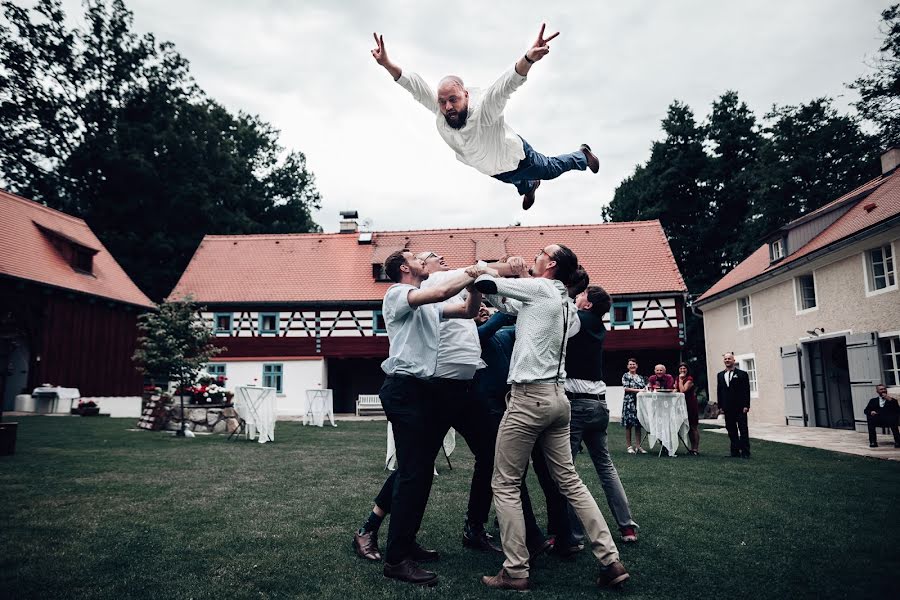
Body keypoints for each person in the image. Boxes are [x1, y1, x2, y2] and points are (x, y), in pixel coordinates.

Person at [473, 244, 629, 591]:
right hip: (560, 401)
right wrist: (512, 285)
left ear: (552, 263)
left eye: (542, 251)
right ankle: (610, 559)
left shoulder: (541, 288)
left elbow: (485, 283)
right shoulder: (566, 306)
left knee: (505, 483)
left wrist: (498, 267)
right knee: (570, 481)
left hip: (529, 399)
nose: (537, 253)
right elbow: (509, 304)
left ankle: (515, 570)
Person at [353, 251, 502, 567]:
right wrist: (476, 269)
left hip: (425, 390)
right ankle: (395, 553)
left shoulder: (428, 305)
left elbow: (465, 310)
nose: (431, 260)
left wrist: (474, 287)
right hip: (404, 389)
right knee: (414, 473)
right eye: (420, 258)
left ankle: (403, 545)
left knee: (417, 472)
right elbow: (443, 291)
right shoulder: (396, 294)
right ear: (406, 267)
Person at [369, 25, 600, 210]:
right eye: (442, 101)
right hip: (493, 169)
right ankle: (529, 187)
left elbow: (506, 84)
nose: (447, 107)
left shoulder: (484, 109)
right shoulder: (440, 108)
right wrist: (387, 64)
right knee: (514, 180)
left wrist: (528, 58)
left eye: (453, 100)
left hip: (518, 158)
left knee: (548, 169)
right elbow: (414, 86)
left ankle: (581, 156)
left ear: (466, 95)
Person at [560, 285, 640, 547]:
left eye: (581, 295)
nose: (576, 297)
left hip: (577, 405)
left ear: (587, 305)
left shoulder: (575, 318)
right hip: (600, 405)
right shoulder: (598, 326)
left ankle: (575, 536)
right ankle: (627, 526)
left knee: (567, 472)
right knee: (605, 467)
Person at [716, 352, 751, 459]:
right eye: (725, 359)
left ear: (733, 360)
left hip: (740, 407)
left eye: (729, 359)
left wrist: (746, 405)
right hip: (727, 408)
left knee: (743, 430)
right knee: (731, 430)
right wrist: (720, 406)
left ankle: (745, 452)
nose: (727, 360)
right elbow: (720, 391)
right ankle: (735, 451)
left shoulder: (742, 374)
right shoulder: (720, 375)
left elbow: (746, 391)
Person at [621, 359, 647, 454]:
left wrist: (643, 390)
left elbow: (644, 387)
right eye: (630, 364)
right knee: (629, 424)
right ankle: (629, 446)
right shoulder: (626, 375)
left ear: (637, 366)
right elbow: (626, 388)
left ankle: (638, 446)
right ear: (628, 366)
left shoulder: (640, 377)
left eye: (634, 364)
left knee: (638, 424)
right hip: (629, 402)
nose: (632, 366)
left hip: (639, 402)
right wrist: (639, 390)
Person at [675, 362, 699, 455]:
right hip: (681, 405)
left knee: (693, 427)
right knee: (688, 427)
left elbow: (683, 390)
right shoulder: (677, 378)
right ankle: (691, 448)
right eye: (680, 369)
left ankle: (695, 449)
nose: (682, 370)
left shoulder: (689, 379)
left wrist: (680, 380)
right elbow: (675, 389)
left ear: (687, 370)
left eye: (684, 368)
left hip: (690, 404)